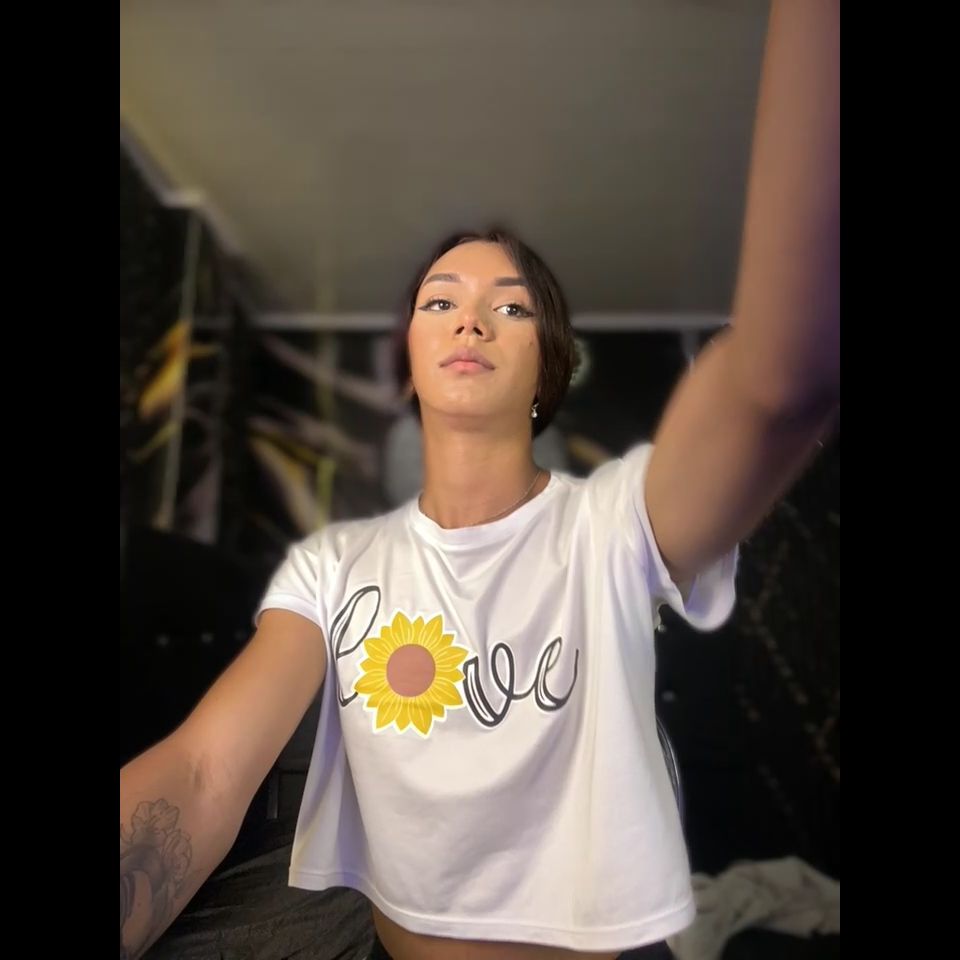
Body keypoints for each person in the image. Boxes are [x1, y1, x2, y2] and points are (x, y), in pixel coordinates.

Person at [120, 3, 839, 957]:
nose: (471, 320)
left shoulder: (609, 523)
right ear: (409, 365)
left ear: (547, 369)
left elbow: (778, 385)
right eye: (440, 302)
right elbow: (206, 770)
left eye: (511, 307)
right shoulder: (332, 565)